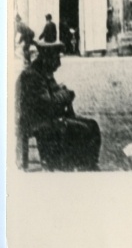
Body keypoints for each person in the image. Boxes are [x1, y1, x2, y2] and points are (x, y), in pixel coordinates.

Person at [16, 40, 100, 170]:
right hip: (37, 122)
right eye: (56, 59)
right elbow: (47, 103)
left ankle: (88, 165)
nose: (59, 64)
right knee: (84, 130)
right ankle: (77, 166)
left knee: (92, 125)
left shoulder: (43, 72)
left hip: (47, 118)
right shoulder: (32, 75)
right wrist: (65, 95)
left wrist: (62, 92)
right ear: (46, 59)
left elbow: (52, 94)